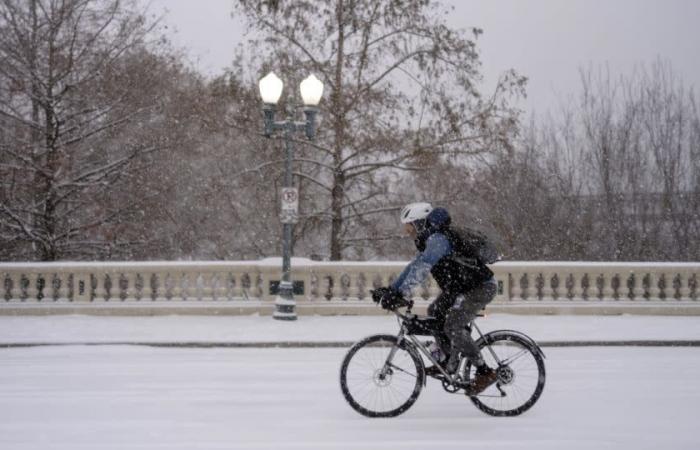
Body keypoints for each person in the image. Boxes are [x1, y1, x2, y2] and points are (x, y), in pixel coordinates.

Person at [379, 202, 499, 394]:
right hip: (461, 289)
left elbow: (422, 268)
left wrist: (401, 293)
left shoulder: (439, 240)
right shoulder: (430, 240)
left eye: (409, 225)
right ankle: (445, 359)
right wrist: (392, 290)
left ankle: (485, 371)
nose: (407, 231)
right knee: (435, 312)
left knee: (453, 325)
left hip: (480, 287)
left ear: (419, 223)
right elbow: (413, 267)